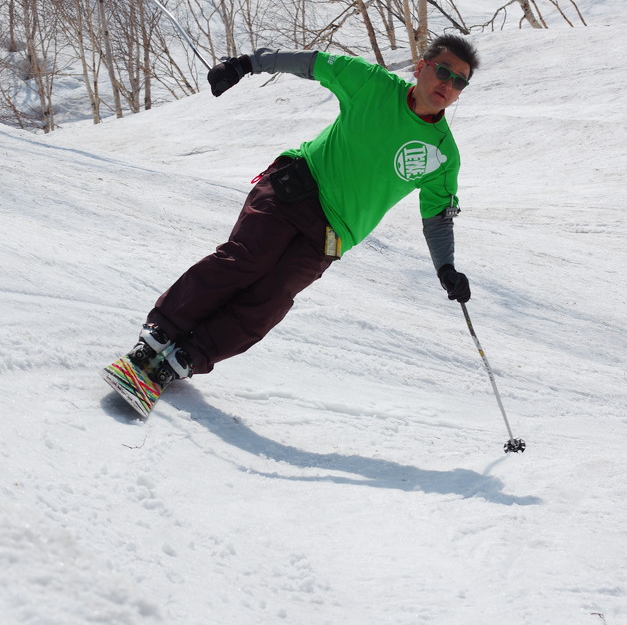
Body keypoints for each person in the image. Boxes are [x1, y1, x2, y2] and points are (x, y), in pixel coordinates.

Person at [125, 34, 478, 394]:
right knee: (245, 261)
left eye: (459, 81)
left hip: (333, 231)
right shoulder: (371, 84)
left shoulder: (443, 154)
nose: (448, 85)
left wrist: (446, 267)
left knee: (271, 298)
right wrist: (245, 64)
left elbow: (437, 216)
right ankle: (159, 335)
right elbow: (311, 63)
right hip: (296, 185)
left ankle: (184, 357)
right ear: (421, 68)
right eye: (444, 72)